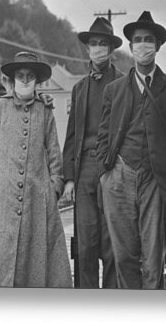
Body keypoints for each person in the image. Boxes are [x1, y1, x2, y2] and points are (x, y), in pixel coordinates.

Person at [0, 52, 72, 288]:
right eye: (20, 76)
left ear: (37, 81)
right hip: (1, 195)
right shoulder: (0, 108)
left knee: (33, 255)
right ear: (13, 80)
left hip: (37, 196)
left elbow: (53, 150)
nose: (25, 80)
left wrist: (54, 186)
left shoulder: (45, 110)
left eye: (30, 76)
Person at [96, 11, 166, 289]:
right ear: (131, 46)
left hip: (155, 180)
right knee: (124, 257)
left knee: (153, 259)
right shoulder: (115, 89)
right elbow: (103, 136)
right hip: (120, 177)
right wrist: (106, 175)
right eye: (137, 40)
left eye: (148, 40)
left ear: (157, 46)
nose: (142, 45)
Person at [62, 17, 122, 289]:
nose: (98, 49)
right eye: (93, 44)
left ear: (111, 49)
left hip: (113, 169)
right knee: (85, 245)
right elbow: (72, 136)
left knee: (112, 245)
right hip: (85, 168)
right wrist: (70, 178)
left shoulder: (124, 83)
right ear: (87, 49)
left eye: (103, 44)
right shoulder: (79, 88)